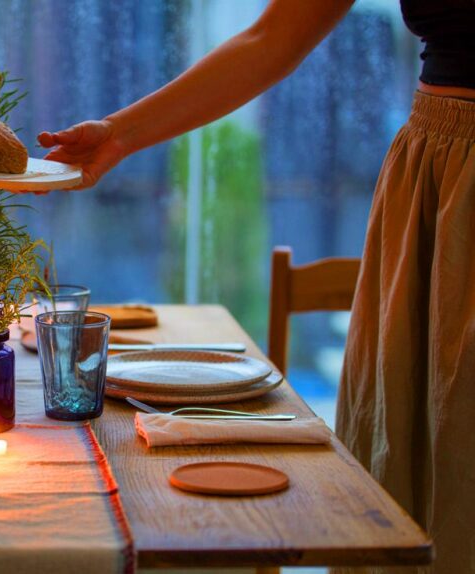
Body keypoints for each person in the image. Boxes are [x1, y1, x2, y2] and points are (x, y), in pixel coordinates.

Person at [38, 1, 474, 572]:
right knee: (426, 449)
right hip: (441, 172)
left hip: (443, 173)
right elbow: (271, 38)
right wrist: (120, 134)